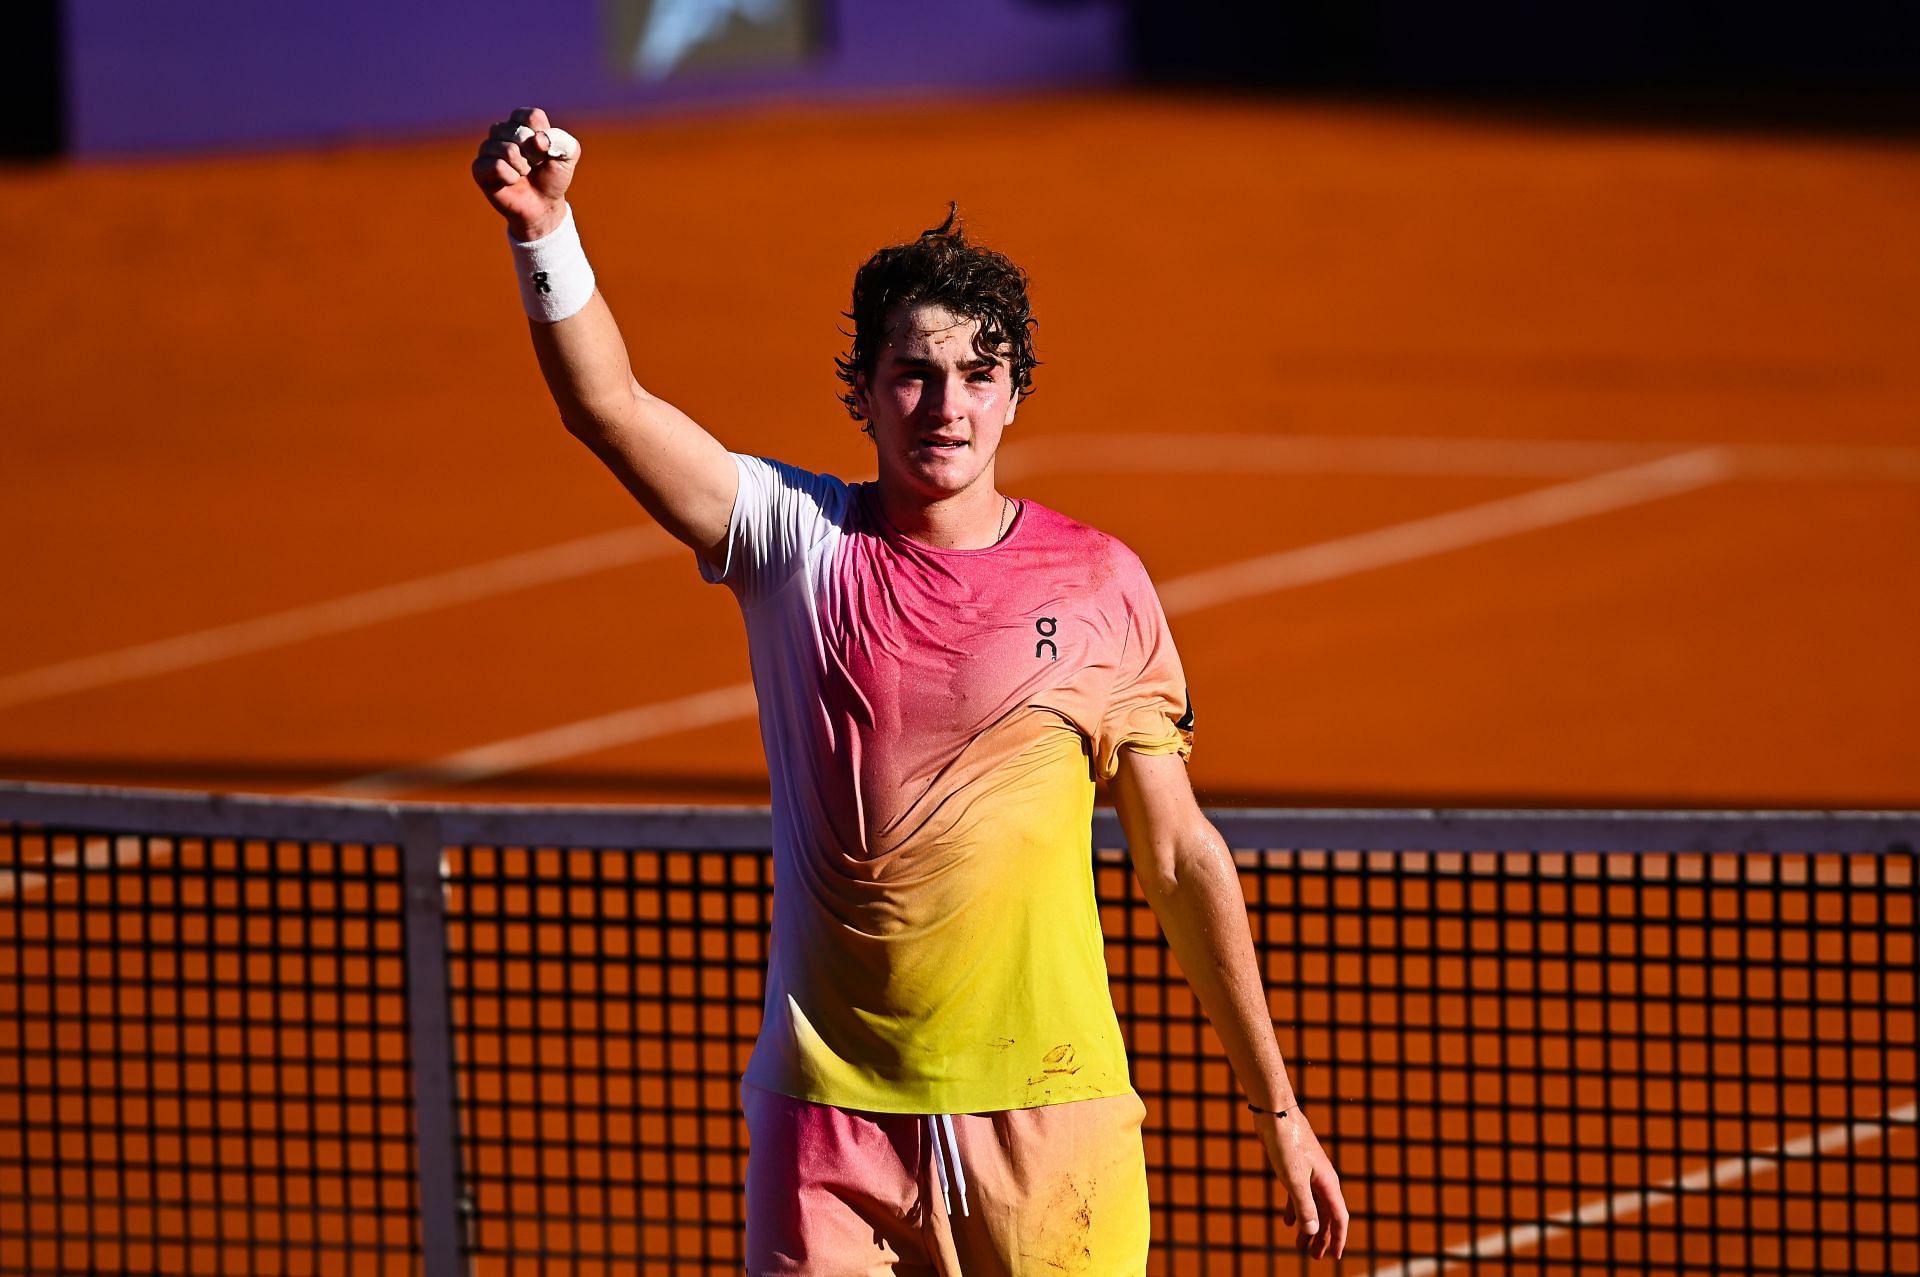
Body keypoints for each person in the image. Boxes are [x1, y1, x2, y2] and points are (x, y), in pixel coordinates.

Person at [472, 106, 1349, 1275]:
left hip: (1050, 1119)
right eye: (914, 374)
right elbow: (610, 409)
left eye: (978, 375)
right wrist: (546, 232)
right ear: (866, 394)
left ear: (1015, 393)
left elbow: (1181, 854)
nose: (947, 406)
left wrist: (1276, 1104)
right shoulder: (797, 541)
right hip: (831, 1124)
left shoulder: (1102, 583)